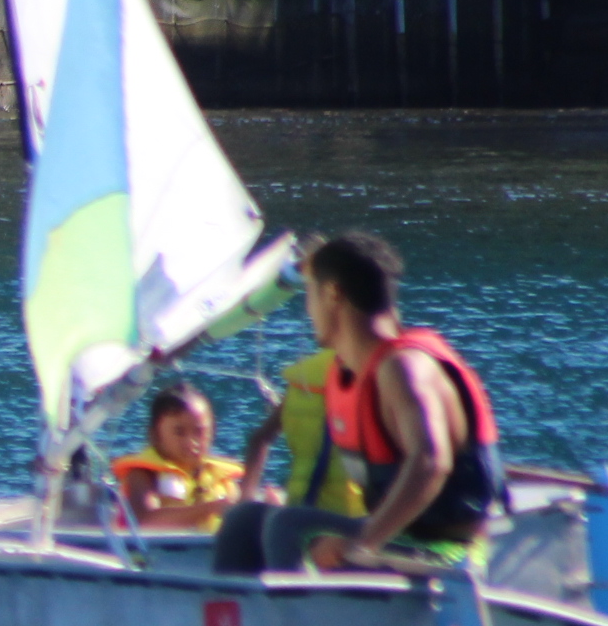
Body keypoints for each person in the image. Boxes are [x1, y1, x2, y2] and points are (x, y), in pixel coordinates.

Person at [212, 232, 504, 576]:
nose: (308, 310)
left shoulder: (404, 367)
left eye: (310, 295)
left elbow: (430, 462)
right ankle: (239, 623)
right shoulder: (352, 369)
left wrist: (362, 542)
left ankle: (298, 623)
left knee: (290, 525)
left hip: (445, 556)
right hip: (399, 540)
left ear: (332, 293)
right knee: (246, 519)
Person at [240, 347, 369, 518]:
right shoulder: (380, 372)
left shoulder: (306, 376)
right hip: (350, 518)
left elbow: (260, 439)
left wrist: (245, 500)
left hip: (299, 511)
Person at [112, 382, 243, 528]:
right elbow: (145, 520)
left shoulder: (222, 479)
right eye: (179, 432)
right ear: (155, 434)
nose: (191, 442)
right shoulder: (142, 474)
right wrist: (210, 509)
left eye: (199, 432)